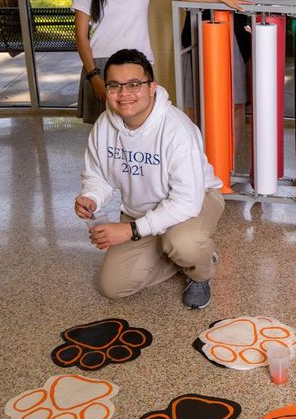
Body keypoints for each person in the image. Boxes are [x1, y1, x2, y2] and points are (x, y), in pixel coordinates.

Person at [74, 49, 225, 309]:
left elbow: (186, 202)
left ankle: (199, 270)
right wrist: (92, 197)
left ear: (152, 88)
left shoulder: (177, 129)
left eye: (134, 84)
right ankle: (173, 255)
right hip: (140, 212)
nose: (124, 94)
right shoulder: (104, 125)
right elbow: (97, 175)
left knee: (184, 243)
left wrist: (131, 230)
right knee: (113, 286)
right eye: (114, 86)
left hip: (196, 203)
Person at [73, 0, 246, 124]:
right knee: (105, 133)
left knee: (142, 130)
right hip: (101, 66)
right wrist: (94, 76)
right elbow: (81, 36)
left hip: (139, 64)